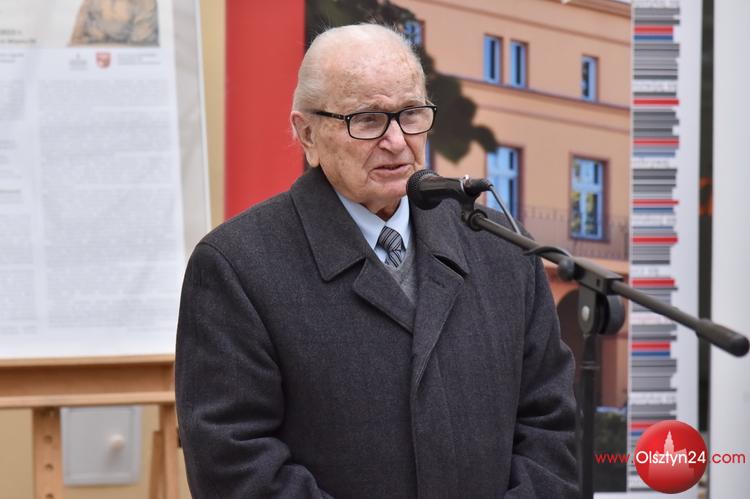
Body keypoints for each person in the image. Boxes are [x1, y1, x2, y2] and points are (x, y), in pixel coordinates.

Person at [175, 24, 578, 498]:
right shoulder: (237, 266)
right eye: (367, 120)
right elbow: (234, 461)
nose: (396, 140)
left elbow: (550, 427)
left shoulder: (501, 247)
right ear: (307, 133)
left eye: (411, 114)